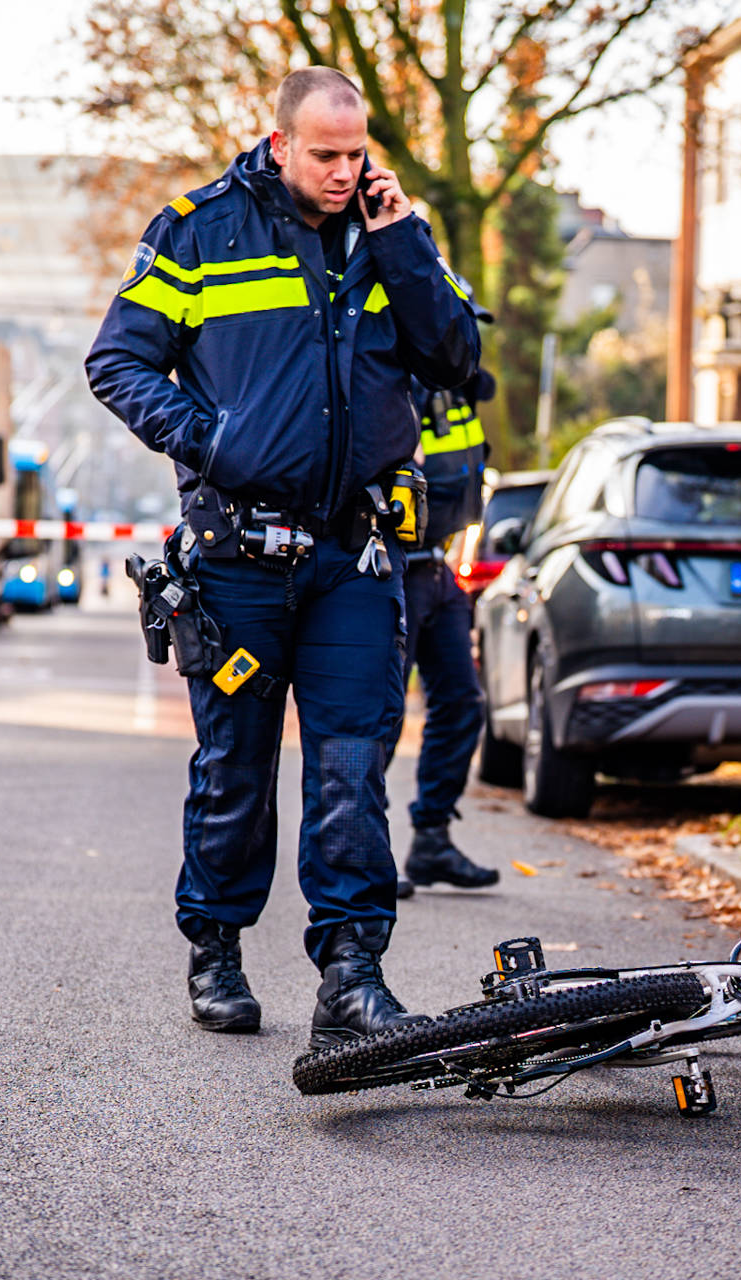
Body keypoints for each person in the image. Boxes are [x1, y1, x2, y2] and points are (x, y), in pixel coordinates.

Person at [86, 66, 480, 1048]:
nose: (346, 172)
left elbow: (456, 360)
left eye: (357, 154)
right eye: (326, 155)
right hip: (236, 559)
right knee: (237, 767)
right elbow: (117, 362)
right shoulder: (203, 228)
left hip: (354, 555)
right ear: (280, 145)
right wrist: (211, 439)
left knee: (352, 769)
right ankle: (215, 945)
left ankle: (351, 972)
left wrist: (403, 242)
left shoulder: (392, 233)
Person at [392, 357, 501, 898]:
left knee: (461, 703)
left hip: (439, 568)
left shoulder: (459, 388)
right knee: (380, 714)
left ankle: (431, 839)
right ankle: (361, 851)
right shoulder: (404, 377)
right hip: (395, 569)